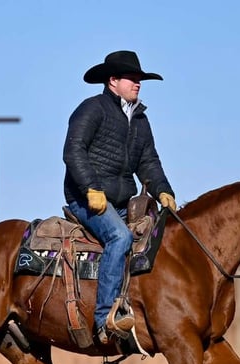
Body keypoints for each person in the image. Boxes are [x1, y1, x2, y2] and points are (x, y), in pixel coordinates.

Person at [63, 50, 177, 344]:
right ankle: (105, 320)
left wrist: (163, 190)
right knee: (120, 237)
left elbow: (148, 161)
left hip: (122, 202)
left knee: (162, 238)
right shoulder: (93, 109)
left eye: (140, 79)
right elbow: (73, 150)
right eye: (132, 78)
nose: (138, 83)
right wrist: (91, 188)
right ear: (112, 80)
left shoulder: (139, 119)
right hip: (86, 199)